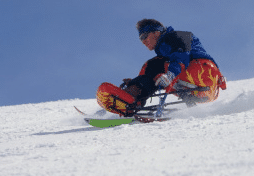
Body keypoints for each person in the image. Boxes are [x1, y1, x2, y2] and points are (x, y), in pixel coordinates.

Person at [96, 19, 226, 116]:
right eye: (140, 39)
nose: (143, 42)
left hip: (203, 72)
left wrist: (170, 75)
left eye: (144, 36)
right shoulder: (166, 48)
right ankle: (135, 92)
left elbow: (181, 56)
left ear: (156, 32)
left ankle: (132, 97)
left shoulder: (174, 37)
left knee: (152, 65)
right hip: (207, 90)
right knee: (154, 72)